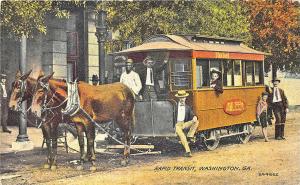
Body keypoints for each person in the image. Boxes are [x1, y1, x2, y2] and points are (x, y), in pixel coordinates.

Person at [175, 90, 199, 157]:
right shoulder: (175, 106)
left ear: (185, 98)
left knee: (196, 121)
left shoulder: (187, 107)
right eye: (181, 98)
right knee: (181, 135)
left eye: (183, 97)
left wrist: (195, 117)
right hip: (177, 125)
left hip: (184, 124)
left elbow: (192, 114)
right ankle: (188, 151)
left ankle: (190, 135)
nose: (182, 99)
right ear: (179, 98)